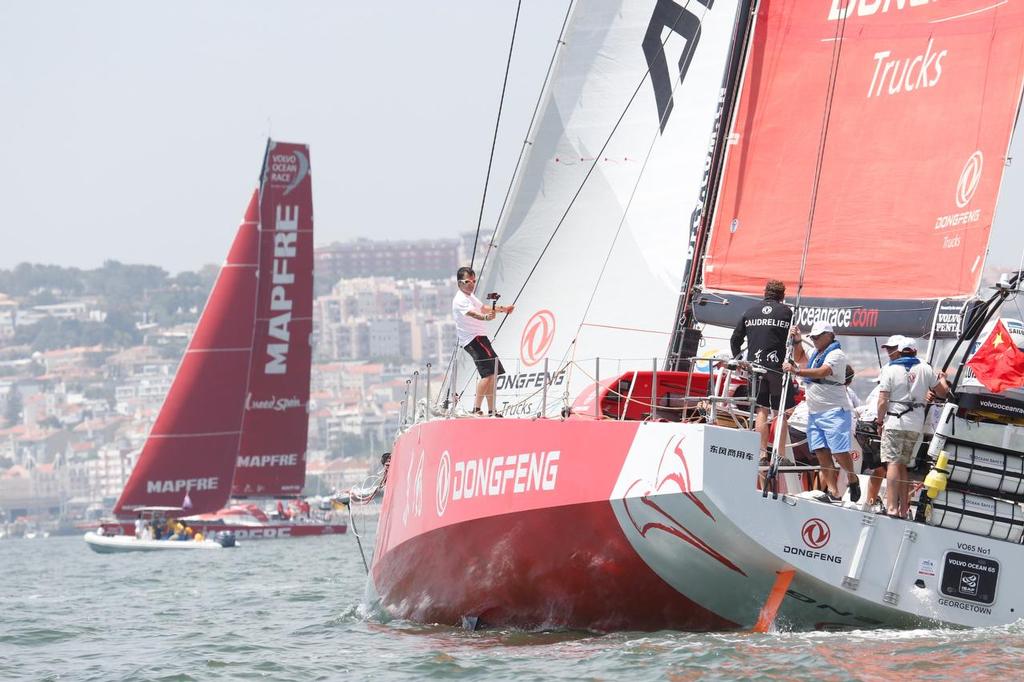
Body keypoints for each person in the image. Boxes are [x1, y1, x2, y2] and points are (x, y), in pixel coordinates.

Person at [783, 321, 860, 502]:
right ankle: (833, 491)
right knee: (820, 451)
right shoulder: (817, 354)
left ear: (829, 336)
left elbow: (823, 372)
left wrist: (797, 371)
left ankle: (852, 477)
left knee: (839, 451)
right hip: (815, 412)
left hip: (834, 410)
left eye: (818, 337)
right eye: (813, 337)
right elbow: (800, 354)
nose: (815, 340)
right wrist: (796, 341)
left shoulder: (837, 354)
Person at [876, 338, 948, 518]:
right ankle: (903, 509)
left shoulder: (890, 369)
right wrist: (942, 379)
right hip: (915, 424)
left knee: (892, 463)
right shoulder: (925, 368)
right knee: (903, 467)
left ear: (899, 352)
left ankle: (891, 507)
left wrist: (879, 421)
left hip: (894, 422)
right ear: (915, 352)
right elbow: (942, 392)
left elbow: (883, 400)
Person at [730, 280, 796, 460]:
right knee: (780, 411)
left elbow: (735, 339)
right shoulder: (787, 312)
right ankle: (779, 454)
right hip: (777, 368)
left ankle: (761, 453)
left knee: (762, 409)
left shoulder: (749, 312)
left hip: (755, 369)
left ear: (764, 292)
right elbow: (793, 341)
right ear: (782, 295)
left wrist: (739, 360)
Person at [452, 266, 514, 415]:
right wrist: (486, 318)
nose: (472, 284)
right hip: (472, 339)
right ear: (460, 283)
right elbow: (474, 314)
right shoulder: (460, 299)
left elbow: (484, 308)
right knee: (487, 375)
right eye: (468, 281)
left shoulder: (470, 296)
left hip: (480, 337)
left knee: (493, 373)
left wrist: (503, 309)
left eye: (473, 281)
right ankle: (476, 409)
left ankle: (492, 410)